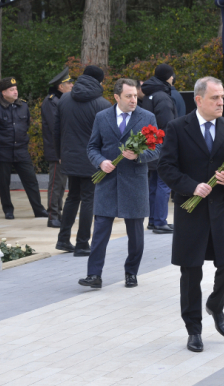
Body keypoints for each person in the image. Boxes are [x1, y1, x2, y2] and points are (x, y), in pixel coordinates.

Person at [157, 76, 224, 353]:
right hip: (191, 213)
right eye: (215, 98)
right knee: (190, 272)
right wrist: (191, 186)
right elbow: (166, 167)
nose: (222, 102)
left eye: (222, 98)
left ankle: (216, 304)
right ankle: (194, 330)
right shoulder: (177, 128)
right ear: (198, 100)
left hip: (222, 211)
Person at [79, 78, 158, 289]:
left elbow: (157, 150)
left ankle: (131, 272)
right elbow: (92, 147)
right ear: (116, 97)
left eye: (135, 95)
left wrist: (138, 156)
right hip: (107, 182)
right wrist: (101, 161)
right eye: (128, 96)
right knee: (100, 232)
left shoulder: (147, 117)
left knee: (135, 235)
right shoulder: (102, 117)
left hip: (134, 183)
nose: (134, 100)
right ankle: (94, 275)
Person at [54, 65, 111, 256]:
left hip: (69, 155)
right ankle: (82, 243)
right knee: (89, 199)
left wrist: (59, 153)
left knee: (72, 197)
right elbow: (107, 137)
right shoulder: (103, 104)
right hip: (92, 159)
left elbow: (56, 129)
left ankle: (63, 240)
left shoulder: (64, 99)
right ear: (100, 81)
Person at [0, 77, 48, 220]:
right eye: (11, 90)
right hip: (3, 151)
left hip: (21, 150)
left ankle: (39, 209)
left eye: (16, 89)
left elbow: (26, 125)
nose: (15, 92)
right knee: (4, 183)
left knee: (31, 180)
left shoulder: (23, 106)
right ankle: (8, 210)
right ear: (3, 92)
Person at [139, 64, 178, 234]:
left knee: (154, 183)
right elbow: (167, 124)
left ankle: (153, 220)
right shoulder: (162, 96)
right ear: (167, 77)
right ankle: (160, 221)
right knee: (163, 183)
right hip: (162, 145)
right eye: (171, 75)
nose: (173, 78)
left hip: (150, 144)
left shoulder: (149, 94)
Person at [41, 67, 73, 228]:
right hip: (56, 150)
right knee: (55, 184)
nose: (71, 85)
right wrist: (60, 151)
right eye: (68, 83)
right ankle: (53, 216)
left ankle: (58, 214)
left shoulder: (61, 100)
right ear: (61, 86)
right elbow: (56, 128)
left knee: (61, 184)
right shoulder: (51, 101)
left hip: (63, 149)